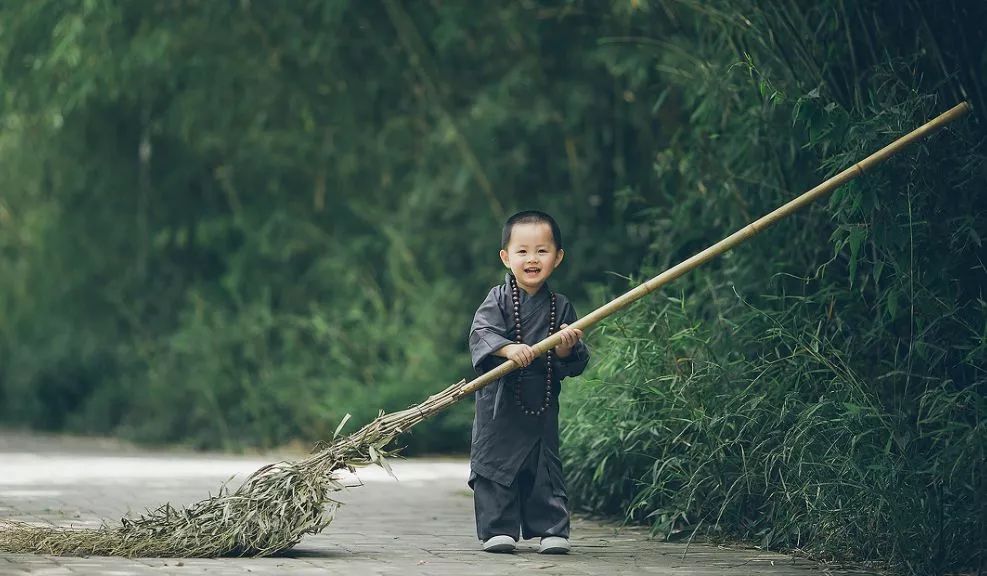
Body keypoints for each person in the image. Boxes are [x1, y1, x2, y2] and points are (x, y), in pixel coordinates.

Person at [467, 210, 590, 554]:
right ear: (506, 258)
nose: (532, 259)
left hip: (541, 399)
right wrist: (508, 349)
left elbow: (575, 360)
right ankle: (498, 528)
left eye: (542, 250)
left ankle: (551, 528)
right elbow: (481, 334)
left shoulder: (560, 307)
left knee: (543, 467)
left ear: (558, 257)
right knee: (494, 464)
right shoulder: (498, 300)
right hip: (500, 402)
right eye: (522, 251)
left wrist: (566, 350)